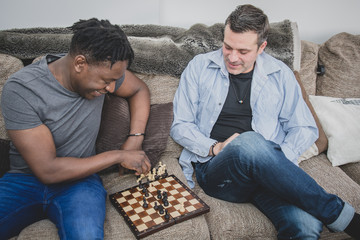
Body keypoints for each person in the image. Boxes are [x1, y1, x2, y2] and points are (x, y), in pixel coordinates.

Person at [170, 4, 359, 240]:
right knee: (249, 142)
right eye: (227, 46)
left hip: (269, 177)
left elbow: (304, 127)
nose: (232, 56)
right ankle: (341, 215)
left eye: (243, 51)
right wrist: (214, 147)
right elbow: (180, 125)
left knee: (307, 226)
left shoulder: (281, 74)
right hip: (219, 171)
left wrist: (278, 162)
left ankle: (329, 213)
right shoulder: (199, 67)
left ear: (262, 47)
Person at [0, 18, 151, 239]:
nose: (111, 88)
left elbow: (139, 89)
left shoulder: (104, 70)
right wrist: (120, 155)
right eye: (105, 81)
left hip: (81, 182)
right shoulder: (21, 89)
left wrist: (136, 138)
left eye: (114, 81)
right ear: (80, 64)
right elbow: (48, 170)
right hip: (24, 179)